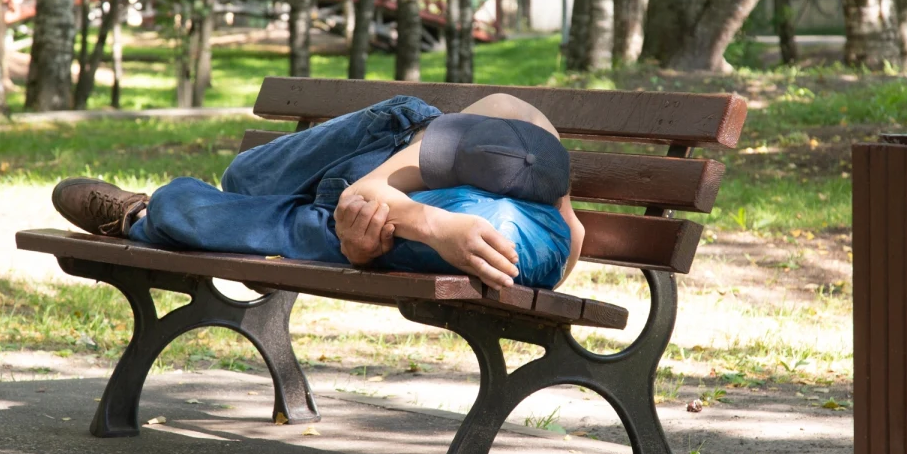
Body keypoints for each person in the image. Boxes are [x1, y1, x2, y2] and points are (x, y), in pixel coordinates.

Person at [51, 93, 585, 290]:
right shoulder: (506, 123)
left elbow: (565, 247)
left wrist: (366, 246)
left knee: (185, 210)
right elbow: (367, 191)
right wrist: (436, 227)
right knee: (243, 178)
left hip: (354, 232)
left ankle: (139, 213)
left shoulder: (537, 189)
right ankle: (153, 214)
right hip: (375, 156)